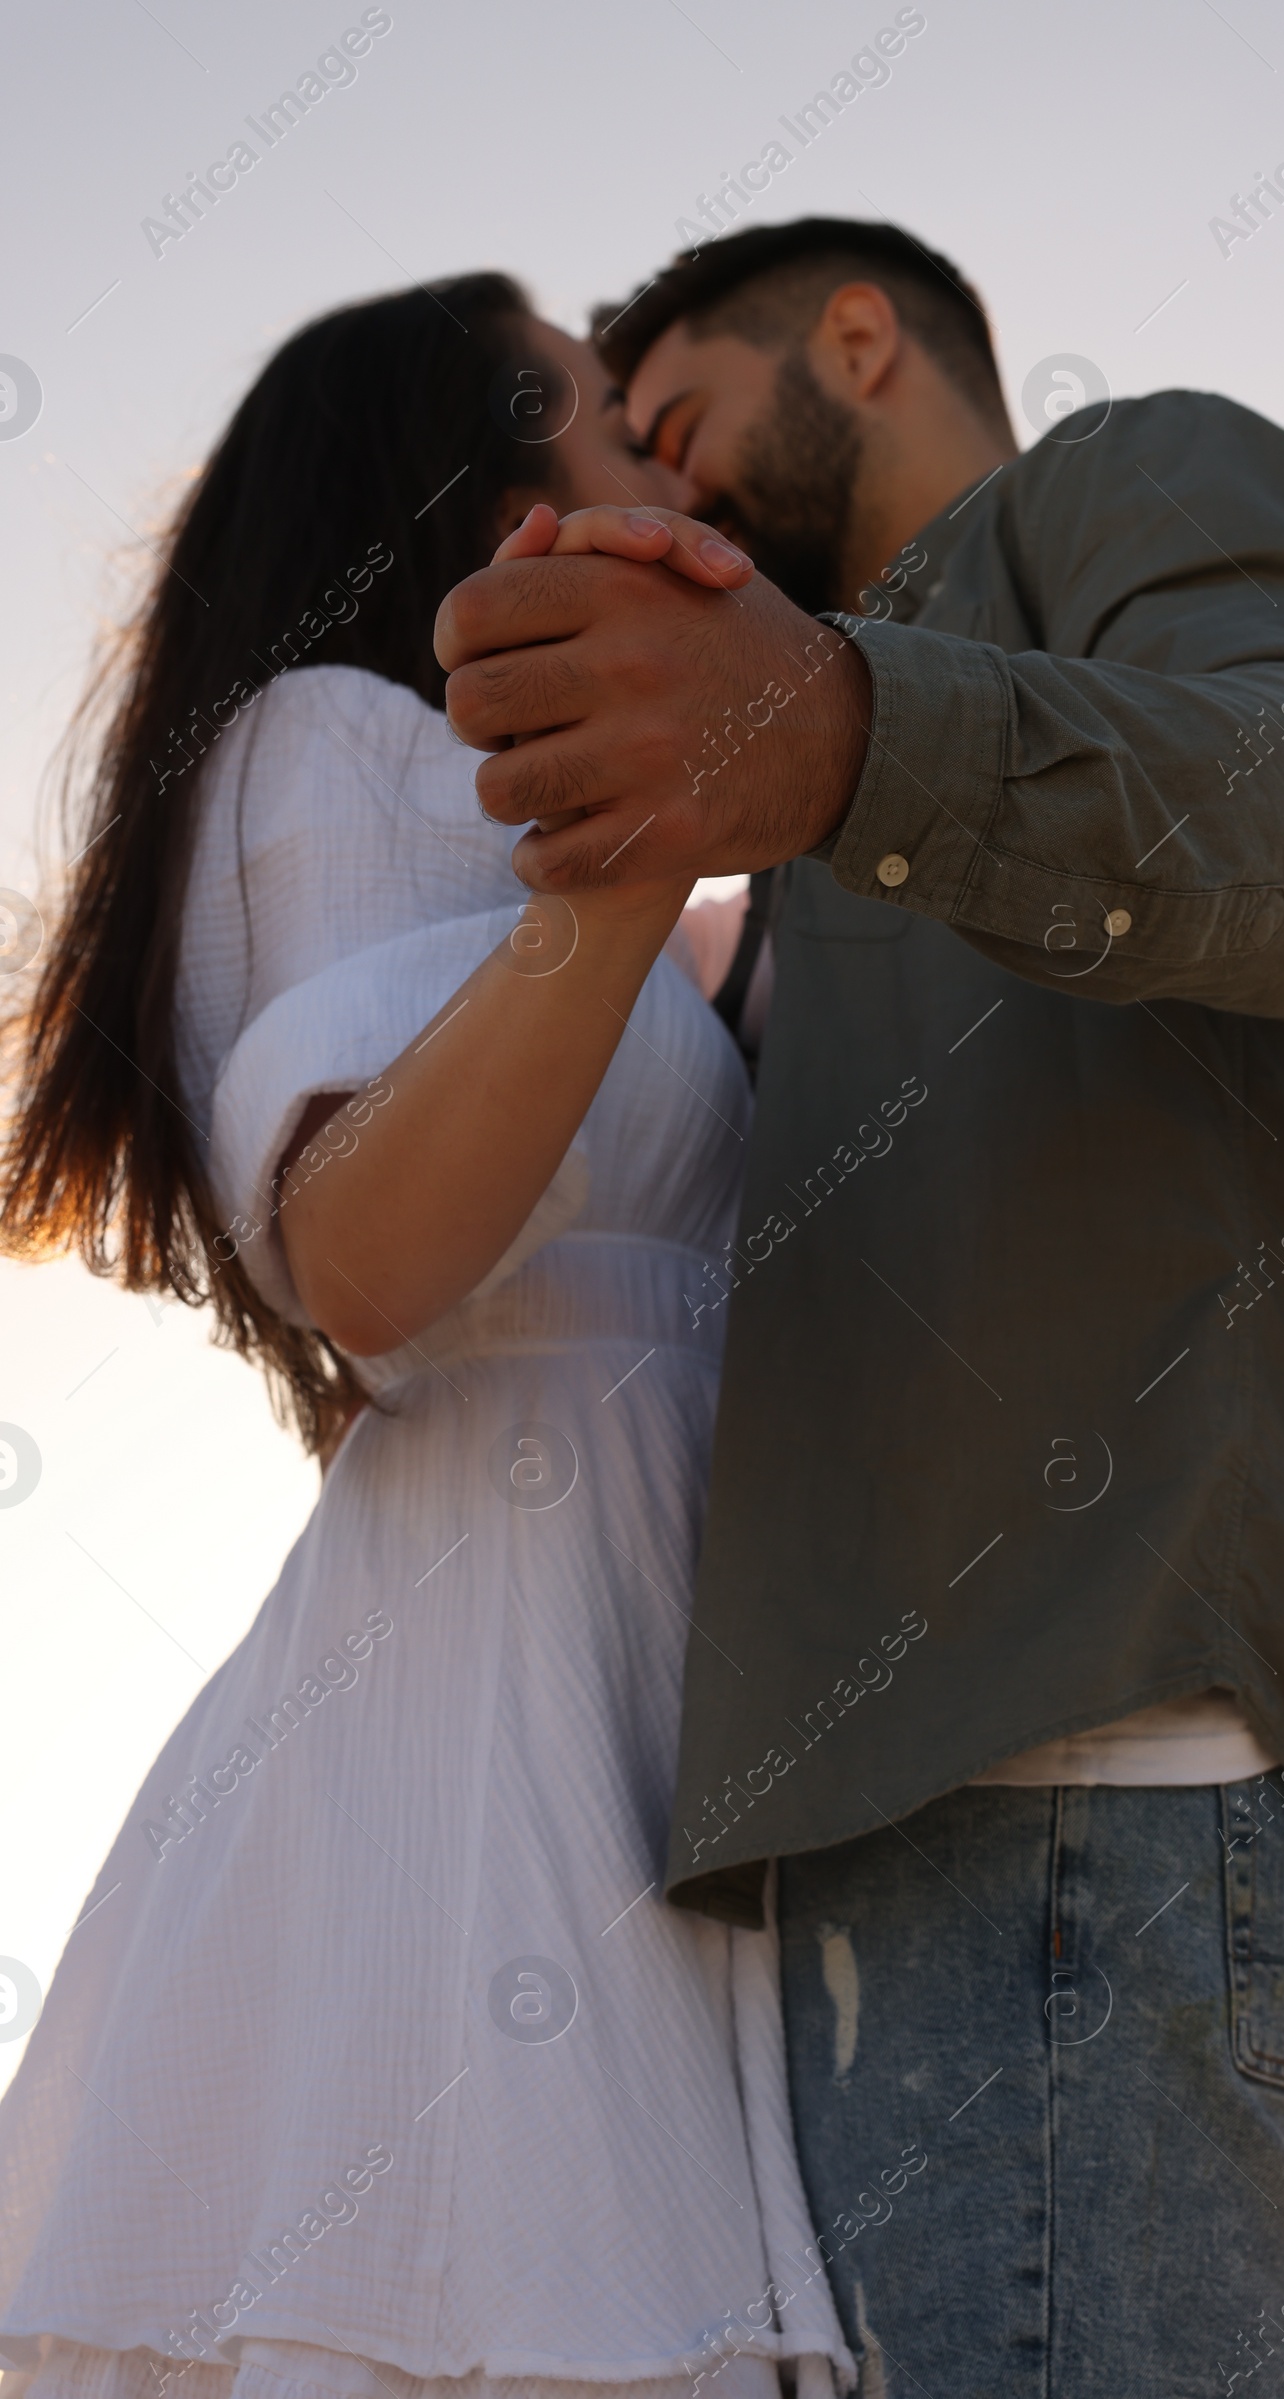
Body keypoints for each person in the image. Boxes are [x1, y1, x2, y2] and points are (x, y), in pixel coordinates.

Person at [433, 219, 1284, 2398]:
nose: (657, 495)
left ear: (852, 337)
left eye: (670, 426)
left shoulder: (1128, 484)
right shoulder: (764, 851)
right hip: (911, 1825)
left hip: (1093, 1762)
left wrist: (841, 730)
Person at [0, 274, 850, 2399]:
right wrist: (646, 829)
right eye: (599, 413)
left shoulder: (565, 857)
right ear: (474, 502)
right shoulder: (346, 744)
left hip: (660, 1664)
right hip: (500, 1685)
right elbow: (369, 1254)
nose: (662, 451)